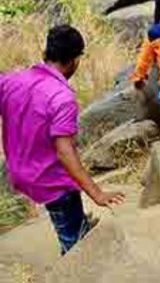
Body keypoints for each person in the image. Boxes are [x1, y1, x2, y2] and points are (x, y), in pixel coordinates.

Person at [0, 26, 125, 253]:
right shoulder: (62, 98)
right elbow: (64, 151)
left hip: (20, 171)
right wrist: (97, 193)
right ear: (75, 60)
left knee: (70, 217)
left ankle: (80, 225)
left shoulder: (12, 81)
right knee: (73, 244)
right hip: (52, 181)